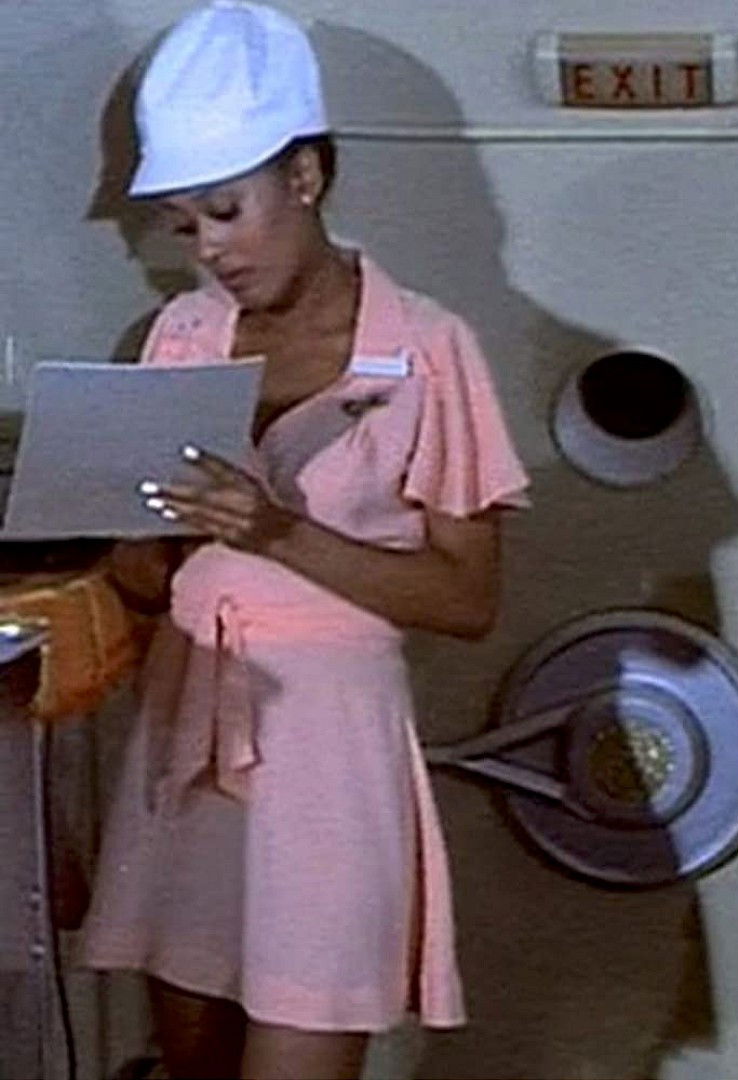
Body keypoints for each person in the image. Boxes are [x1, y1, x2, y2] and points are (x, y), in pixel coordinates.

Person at [78, 4, 530, 1077]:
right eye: (185, 225)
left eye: (227, 211)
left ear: (306, 176)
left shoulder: (426, 349)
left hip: (330, 748)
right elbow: (143, 576)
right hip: (189, 727)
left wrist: (277, 531)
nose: (210, 249)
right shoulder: (182, 337)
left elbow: (467, 601)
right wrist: (127, 539)